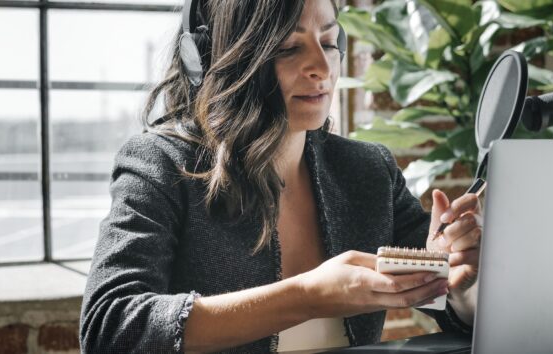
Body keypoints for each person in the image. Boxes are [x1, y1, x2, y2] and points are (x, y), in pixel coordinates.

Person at [79, 0, 482, 352]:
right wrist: (306, 296)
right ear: (217, 58)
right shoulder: (161, 164)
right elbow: (110, 326)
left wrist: (458, 282)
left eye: (328, 42)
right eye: (289, 48)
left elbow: (454, 312)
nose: (321, 68)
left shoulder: (368, 170)